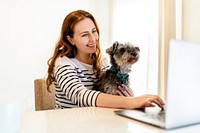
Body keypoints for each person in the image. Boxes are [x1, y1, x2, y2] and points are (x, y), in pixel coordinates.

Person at [46, 10, 164, 109]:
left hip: (97, 121)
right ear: (71, 40)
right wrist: (131, 102)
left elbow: (111, 97)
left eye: (94, 31)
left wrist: (128, 96)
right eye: (84, 35)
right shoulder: (63, 63)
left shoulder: (102, 61)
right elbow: (80, 95)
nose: (93, 39)